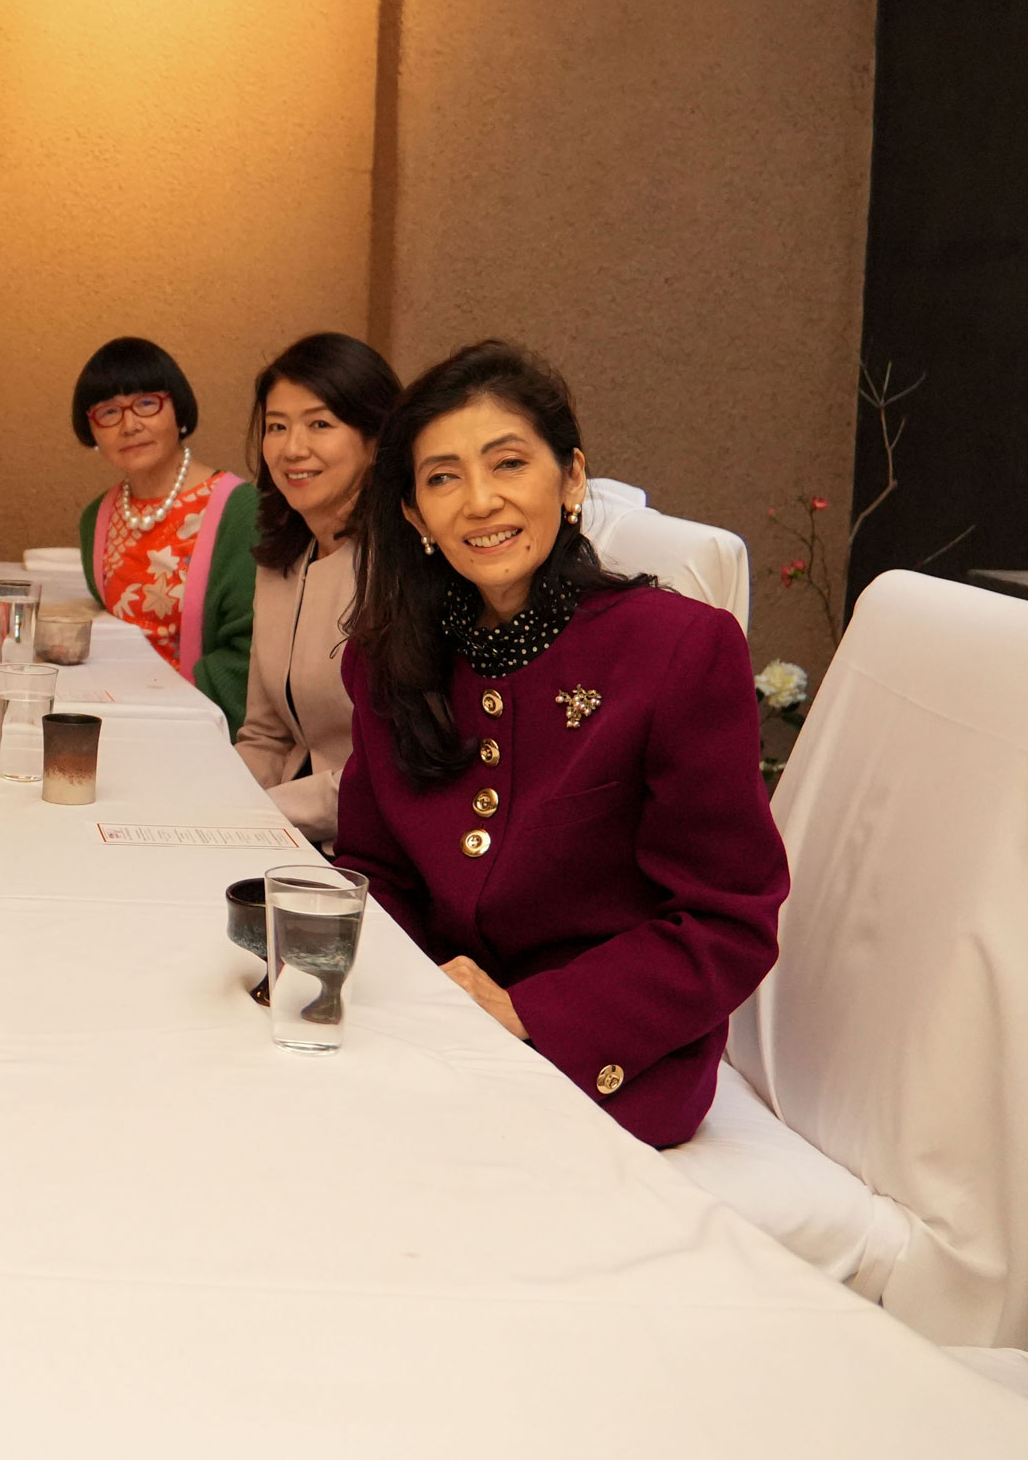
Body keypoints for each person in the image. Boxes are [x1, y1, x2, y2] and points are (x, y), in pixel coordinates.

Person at [333, 341, 788, 1148]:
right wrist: (371, 975)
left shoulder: (679, 649)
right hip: (434, 1027)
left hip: (609, 1055)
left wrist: (527, 1011)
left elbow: (727, 920)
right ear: (413, 514)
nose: (479, 501)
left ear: (571, 478)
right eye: (442, 477)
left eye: (508, 463)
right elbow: (380, 872)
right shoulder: (390, 657)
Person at [232, 332, 400, 845]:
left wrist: (253, 816)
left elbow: (388, 774)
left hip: (370, 849)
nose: (292, 449)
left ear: (375, 441)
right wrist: (216, 806)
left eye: (320, 424)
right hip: (288, 835)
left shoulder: (401, 567)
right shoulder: (284, 560)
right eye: (277, 427)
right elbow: (265, 735)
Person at [72, 335, 260, 729]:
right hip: (116, 715)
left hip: (201, 725)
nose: (129, 425)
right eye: (108, 411)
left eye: (146, 403)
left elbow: (252, 652)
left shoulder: (238, 510)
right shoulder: (96, 519)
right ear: (92, 431)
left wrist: (166, 706)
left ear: (178, 409)